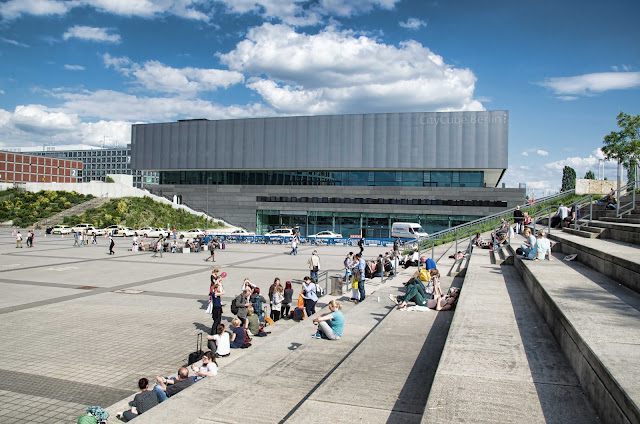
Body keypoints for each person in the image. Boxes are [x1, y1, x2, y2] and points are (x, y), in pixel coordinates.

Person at [392, 287, 460, 311]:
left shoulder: (449, 305)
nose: (453, 292)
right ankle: (404, 301)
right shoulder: (448, 298)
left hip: (424, 303)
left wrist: (439, 301)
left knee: (415, 289)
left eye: (455, 292)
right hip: (426, 299)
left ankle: (404, 302)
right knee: (413, 286)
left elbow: (438, 309)